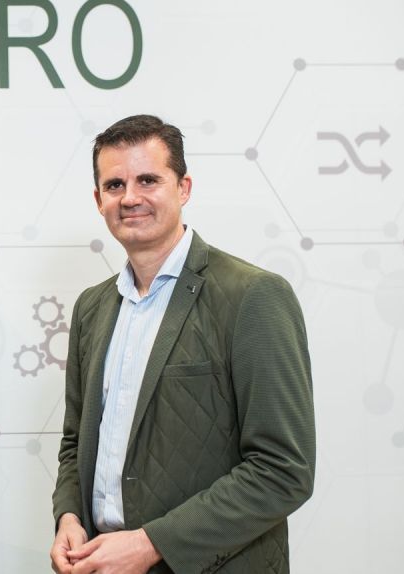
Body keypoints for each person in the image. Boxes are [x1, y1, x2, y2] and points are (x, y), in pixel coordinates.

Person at [51, 115, 315, 574]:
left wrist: (151, 544)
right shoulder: (92, 308)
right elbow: (76, 441)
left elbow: (283, 470)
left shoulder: (253, 295)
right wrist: (69, 516)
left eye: (148, 180)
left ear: (183, 188)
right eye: (114, 185)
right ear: (98, 200)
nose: (129, 198)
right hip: (101, 563)